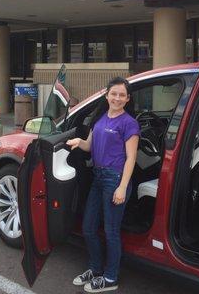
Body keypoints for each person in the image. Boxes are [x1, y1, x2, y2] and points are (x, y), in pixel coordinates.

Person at [66, 76, 140, 293]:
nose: (117, 98)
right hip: (98, 178)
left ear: (127, 99)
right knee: (88, 228)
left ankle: (110, 277)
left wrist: (122, 187)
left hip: (115, 179)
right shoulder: (99, 118)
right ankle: (96, 269)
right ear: (107, 95)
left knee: (111, 231)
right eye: (113, 94)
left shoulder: (129, 123)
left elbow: (131, 158)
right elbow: (90, 146)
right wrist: (79, 142)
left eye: (122, 95)